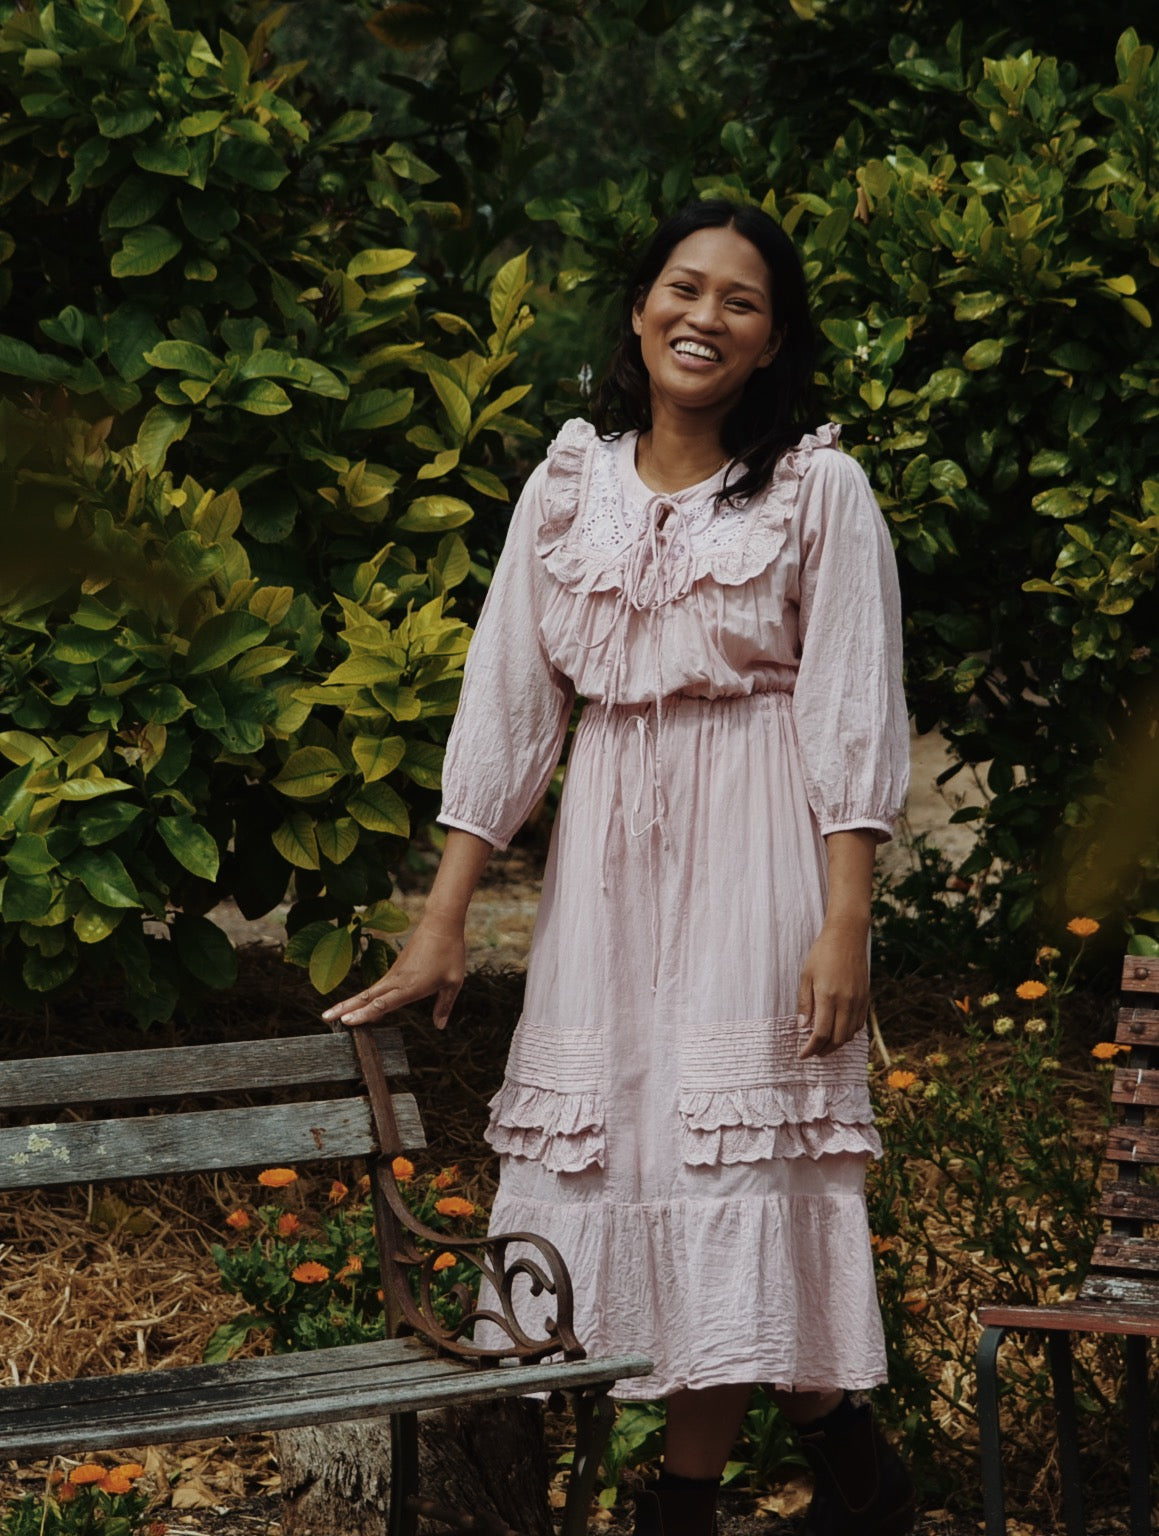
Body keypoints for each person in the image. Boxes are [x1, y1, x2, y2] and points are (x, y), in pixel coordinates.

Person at [324, 199, 913, 1536]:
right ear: (640, 306)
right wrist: (443, 920)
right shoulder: (567, 485)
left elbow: (854, 711)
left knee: (731, 1166)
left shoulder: (818, 487)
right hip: (604, 872)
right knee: (611, 1157)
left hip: (759, 854)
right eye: (683, 287)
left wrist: (845, 921)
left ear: (772, 343)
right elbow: (510, 711)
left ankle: (680, 1504)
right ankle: (851, 1457)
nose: (704, 316)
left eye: (742, 301)